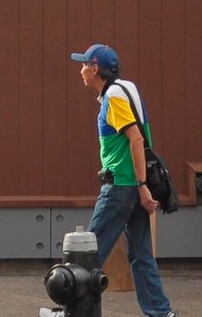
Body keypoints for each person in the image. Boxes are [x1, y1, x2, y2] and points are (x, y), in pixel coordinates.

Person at [72, 44, 174, 317]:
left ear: (95, 69)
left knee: (88, 252)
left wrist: (141, 186)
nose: (80, 70)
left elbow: (136, 139)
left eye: (83, 65)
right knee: (142, 257)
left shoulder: (114, 97)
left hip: (120, 187)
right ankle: (161, 313)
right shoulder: (128, 88)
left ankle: (72, 310)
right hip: (134, 186)